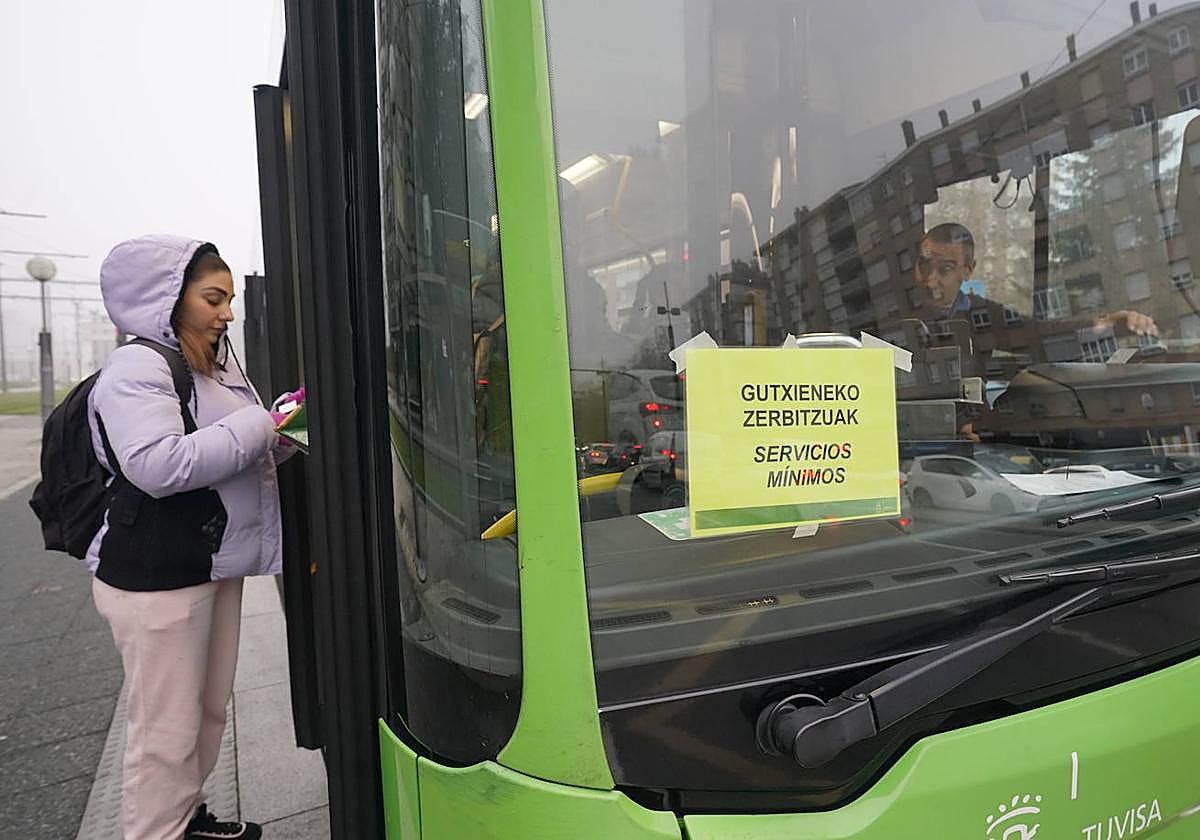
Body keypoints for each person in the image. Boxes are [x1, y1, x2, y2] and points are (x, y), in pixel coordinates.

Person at [87, 235, 296, 840]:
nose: (227, 311)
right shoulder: (139, 366)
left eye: (228, 298)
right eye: (212, 297)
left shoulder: (208, 361)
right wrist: (260, 423)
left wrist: (278, 432)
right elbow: (157, 466)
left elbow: (230, 453)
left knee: (204, 712)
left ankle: (185, 817)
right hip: (157, 576)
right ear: (165, 298)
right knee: (166, 730)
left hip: (205, 561)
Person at [914, 221, 1158, 337]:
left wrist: (1110, 323)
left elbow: (1044, 334)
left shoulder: (984, 315)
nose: (929, 280)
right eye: (924, 266)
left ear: (967, 271)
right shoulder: (888, 317)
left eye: (944, 269)